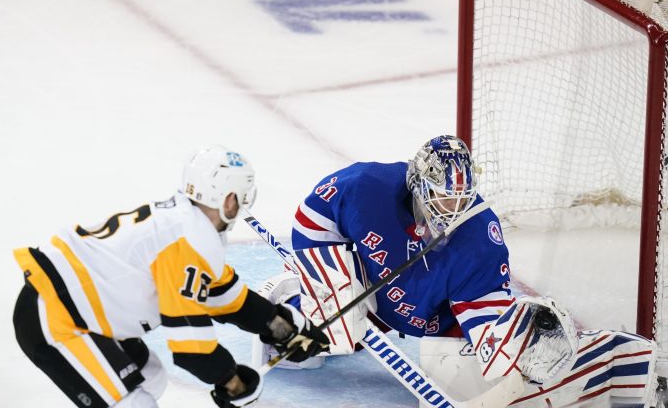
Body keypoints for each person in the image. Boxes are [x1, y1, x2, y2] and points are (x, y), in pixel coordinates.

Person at [256, 135, 661, 407]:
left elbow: (484, 310)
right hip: (361, 286)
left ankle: (619, 363)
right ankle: (290, 305)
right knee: (325, 340)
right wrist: (331, 280)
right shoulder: (368, 186)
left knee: (511, 363)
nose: (452, 212)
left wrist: (503, 347)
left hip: (433, 318)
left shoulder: (480, 239)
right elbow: (313, 217)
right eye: (442, 199)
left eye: (460, 200)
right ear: (417, 185)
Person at [12, 145, 330, 408]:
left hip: (78, 311)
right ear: (228, 198)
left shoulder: (189, 226)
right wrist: (232, 382)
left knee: (150, 375)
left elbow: (225, 297)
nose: (242, 204)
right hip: (58, 319)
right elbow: (191, 346)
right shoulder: (189, 240)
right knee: (133, 404)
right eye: (241, 195)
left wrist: (281, 327)